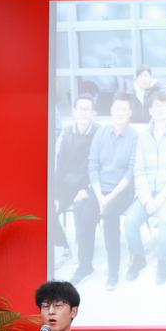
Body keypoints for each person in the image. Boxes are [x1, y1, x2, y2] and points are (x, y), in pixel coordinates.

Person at [125, 90, 166, 285]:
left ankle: (162, 261)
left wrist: (160, 198)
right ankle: (139, 258)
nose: (159, 110)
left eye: (163, 106)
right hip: (146, 193)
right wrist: (146, 199)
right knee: (129, 221)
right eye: (155, 106)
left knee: (165, 220)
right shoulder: (143, 135)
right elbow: (139, 170)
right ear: (150, 110)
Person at [76, 92, 137, 290]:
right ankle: (85, 266)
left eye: (124, 109)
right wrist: (99, 194)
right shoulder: (101, 133)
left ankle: (113, 271)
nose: (120, 112)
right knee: (86, 218)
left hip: (122, 191)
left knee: (110, 218)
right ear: (111, 110)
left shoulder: (134, 137)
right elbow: (93, 164)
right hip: (100, 190)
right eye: (117, 108)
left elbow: (130, 172)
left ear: (130, 113)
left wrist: (109, 197)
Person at [51, 94, 98, 270]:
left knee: (81, 208)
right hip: (66, 186)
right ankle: (63, 245)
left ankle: (82, 249)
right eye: (80, 108)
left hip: (86, 186)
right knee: (47, 207)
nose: (83, 112)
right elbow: (59, 165)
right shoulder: (66, 132)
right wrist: (55, 195)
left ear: (93, 113)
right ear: (74, 111)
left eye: (87, 109)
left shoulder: (99, 133)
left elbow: (97, 166)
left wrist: (87, 188)